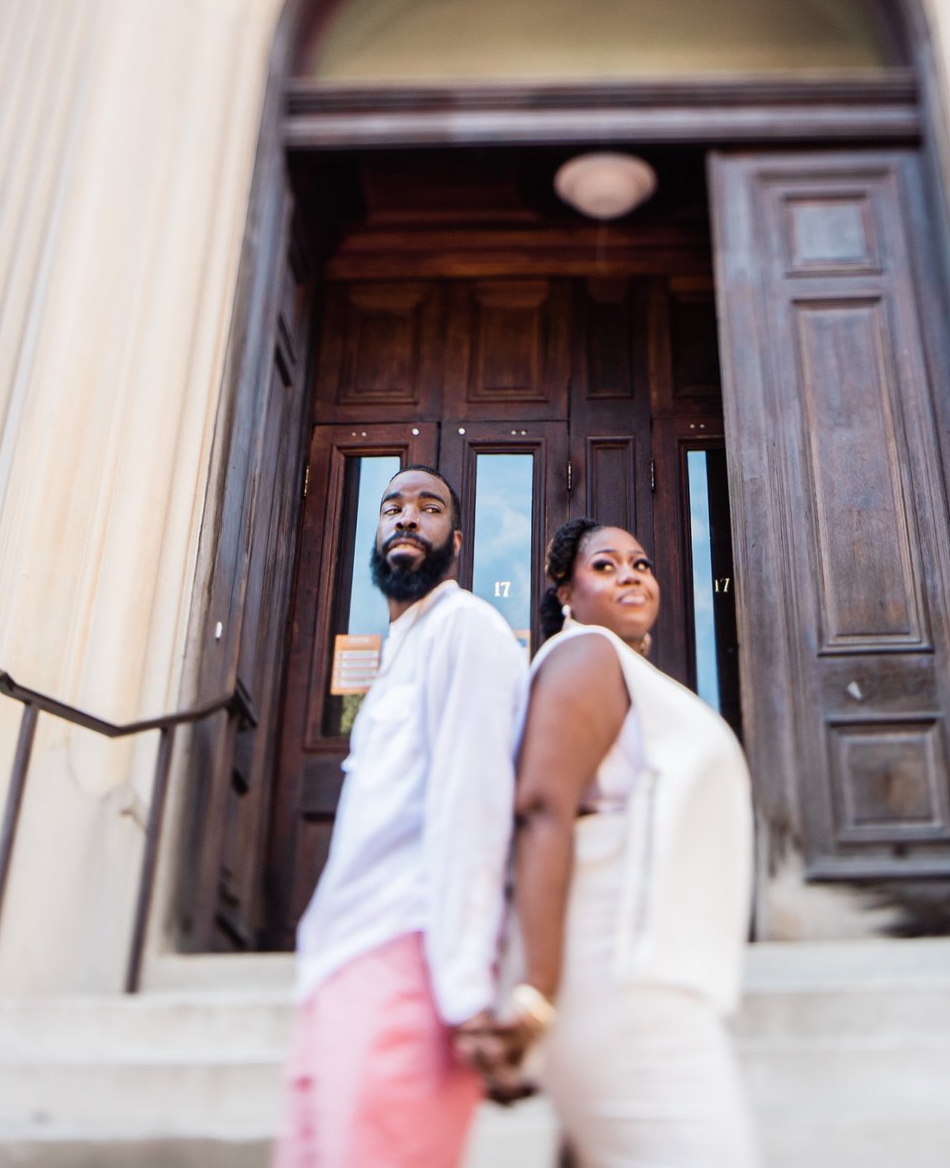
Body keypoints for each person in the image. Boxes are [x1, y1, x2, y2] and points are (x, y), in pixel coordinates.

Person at [483, 517, 761, 1168]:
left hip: (644, 978)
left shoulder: (626, 675)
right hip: (621, 979)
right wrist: (536, 992)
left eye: (639, 563)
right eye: (604, 565)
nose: (630, 574)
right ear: (564, 593)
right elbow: (543, 807)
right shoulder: (584, 654)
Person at [275, 465, 530, 1168]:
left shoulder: (468, 629)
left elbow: (473, 803)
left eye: (430, 506)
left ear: (457, 536)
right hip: (337, 965)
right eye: (392, 506)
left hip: (409, 962)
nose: (408, 517)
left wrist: (467, 988)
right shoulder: (397, 656)